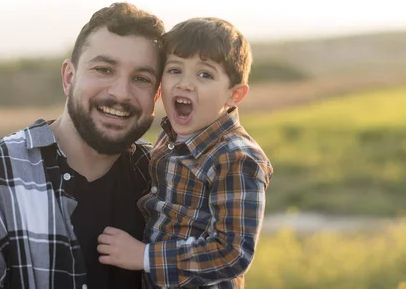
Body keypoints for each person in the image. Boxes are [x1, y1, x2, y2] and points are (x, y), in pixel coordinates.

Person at [0, 2, 166, 289]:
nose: (121, 92)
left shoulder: (169, 180)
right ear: (69, 78)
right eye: (104, 69)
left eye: (141, 79)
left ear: (156, 95)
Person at [97, 17, 274, 288]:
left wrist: (144, 256)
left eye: (204, 74)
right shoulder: (170, 138)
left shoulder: (236, 158)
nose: (185, 84)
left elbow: (232, 253)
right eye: (175, 70)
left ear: (234, 95)